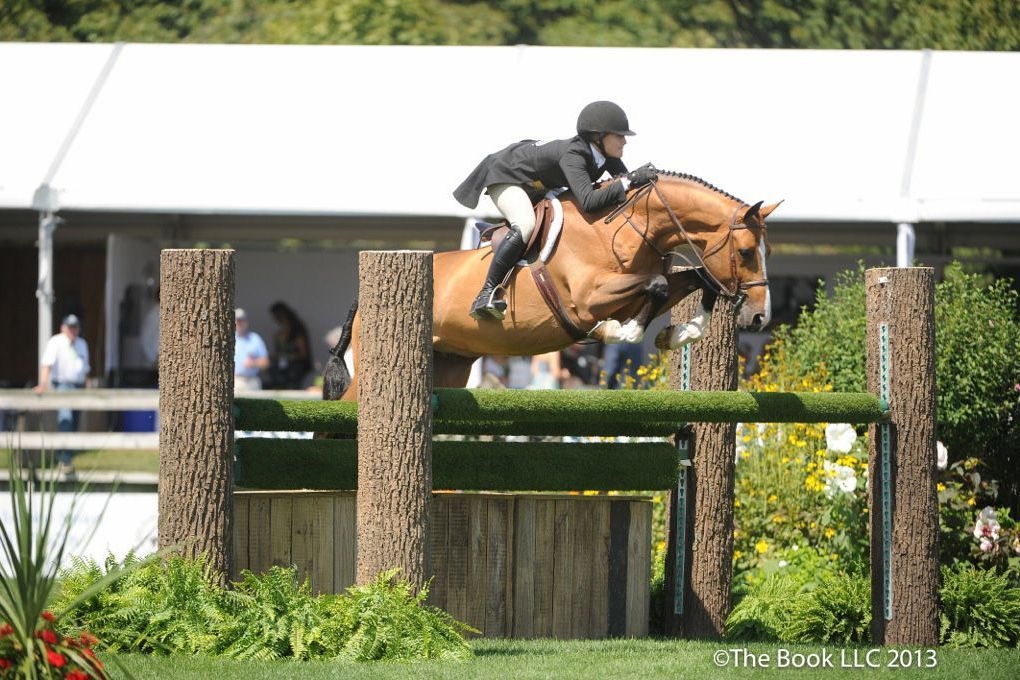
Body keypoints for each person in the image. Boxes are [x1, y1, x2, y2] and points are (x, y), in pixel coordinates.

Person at [453, 100, 657, 320]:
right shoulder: (574, 155)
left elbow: (623, 185)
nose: (624, 141)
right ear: (598, 136)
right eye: (619, 135)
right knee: (525, 224)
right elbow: (589, 200)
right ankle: (486, 293)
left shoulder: (605, 156)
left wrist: (641, 181)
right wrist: (630, 181)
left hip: (537, 183)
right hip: (508, 176)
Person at [34, 314, 90, 474]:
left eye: (75, 327)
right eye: (70, 327)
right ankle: (64, 460)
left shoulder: (82, 344)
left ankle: (66, 456)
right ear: (63, 327)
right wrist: (43, 384)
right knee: (65, 418)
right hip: (63, 386)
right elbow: (47, 364)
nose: (73, 330)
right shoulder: (56, 342)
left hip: (78, 386)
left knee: (75, 422)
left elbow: (85, 369)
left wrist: (87, 389)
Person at [267, 301, 312, 389]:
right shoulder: (279, 333)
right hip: (282, 368)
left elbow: (303, 354)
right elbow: (278, 351)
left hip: (296, 369)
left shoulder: (297, 330)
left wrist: (288, 356)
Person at [234, 308, 270, 392]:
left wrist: (254, 363)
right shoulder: (228, 339)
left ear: (246, 321)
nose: (239, 323)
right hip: (235, 381)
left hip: (252, 382)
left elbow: (266, 362)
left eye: (242, 320)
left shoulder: (255, 338)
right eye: (237, 320)